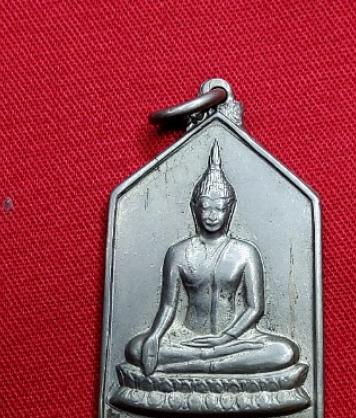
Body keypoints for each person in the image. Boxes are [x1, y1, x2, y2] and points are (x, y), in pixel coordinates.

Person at [125, 141, 300, 376]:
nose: (211, 216)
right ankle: (210, 362)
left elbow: (255, 308)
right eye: (206, 208)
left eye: (219, 209)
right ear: (194, 208)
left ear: (230, 209)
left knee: (285, 351)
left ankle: (201, 364)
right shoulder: (178, 252)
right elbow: (168, 305)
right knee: (135, 348)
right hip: (187, 338)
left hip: (236, 338)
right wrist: (155, 336)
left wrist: (225, 338)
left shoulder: (245, 252)